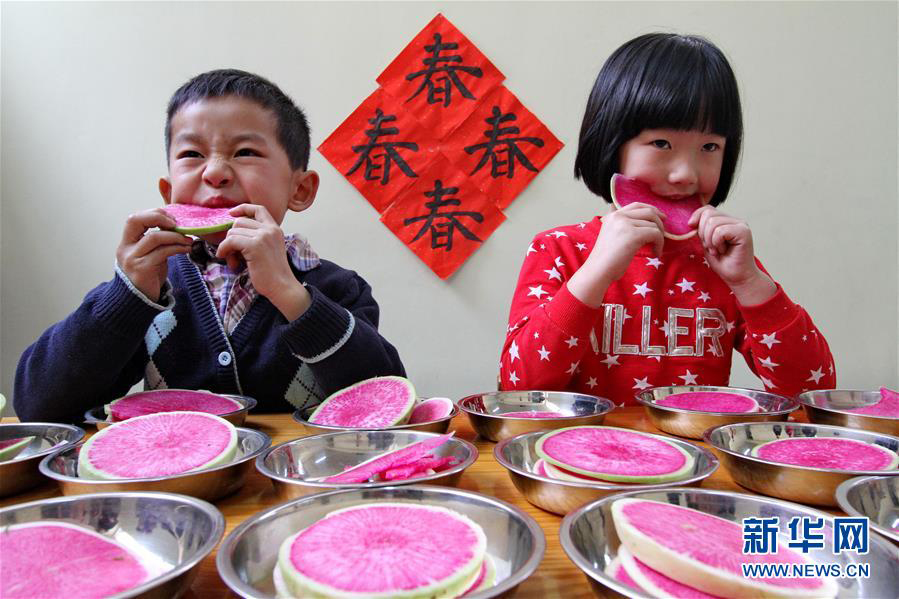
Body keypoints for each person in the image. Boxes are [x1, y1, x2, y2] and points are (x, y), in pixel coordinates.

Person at [15, 69, 405, 422]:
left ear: (299, 189)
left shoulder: (338, 289)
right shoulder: (151, 293)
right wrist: (126, 296)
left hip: (299, 483)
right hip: (174, 489)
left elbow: (385, 402)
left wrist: (291, 295)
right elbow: (39, 405)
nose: (215, 172)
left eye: (245, 152)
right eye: (191, 154)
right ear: (168, 192)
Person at [499, 33, 835, 405]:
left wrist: (751, 282)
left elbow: (810, 392)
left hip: (698, 459)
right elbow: (519, 391)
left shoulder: (724, 261)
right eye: (661, 144)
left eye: (709, 147)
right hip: (583, 459)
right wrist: (596, 272)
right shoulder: (560, 250)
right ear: (612, 143)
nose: (685, 175)